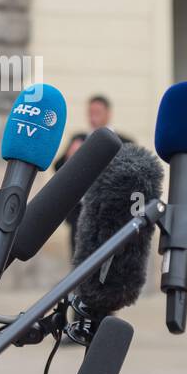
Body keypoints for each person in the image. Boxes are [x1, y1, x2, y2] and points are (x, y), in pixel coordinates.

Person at [53, 96, 133, 257]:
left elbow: (132, 177)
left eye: (97, 112)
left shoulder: (125, 142)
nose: (92, 116)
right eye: (90, 112)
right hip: (81, 216)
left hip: (111, 216)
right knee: (79, 266)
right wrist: (71, 157)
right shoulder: (79, 139)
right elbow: (59, 171)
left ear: (108, 114)